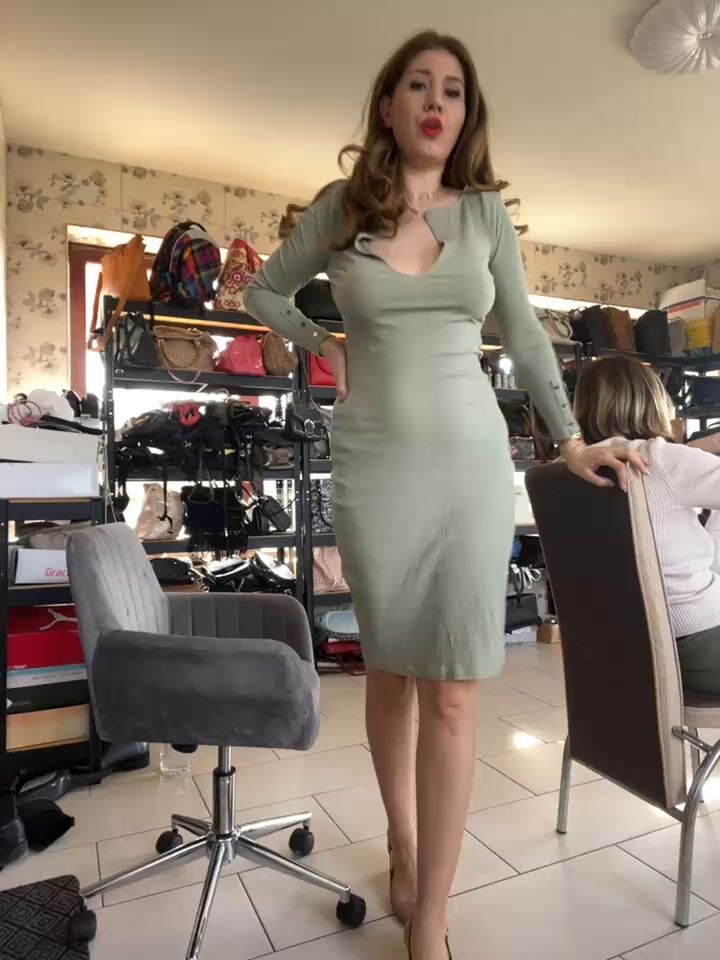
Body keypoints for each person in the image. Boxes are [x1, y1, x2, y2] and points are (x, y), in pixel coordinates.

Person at [245, 30, 643, 960]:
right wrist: (324, 343)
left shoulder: (488, 216)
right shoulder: (342, 209)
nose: (436, 102)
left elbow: (528, 336)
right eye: (418, 86)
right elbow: (264, 292)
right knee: (390, 671)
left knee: (455, 694)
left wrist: (570, 437)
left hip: (469, 468)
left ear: (467, 114)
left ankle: (431, 915)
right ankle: (403, 840)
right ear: (388, 107)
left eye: (453, 90)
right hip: (375, 467)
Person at [574, 354, 720, 696]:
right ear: (653, 401)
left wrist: (694, 450)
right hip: (695, 644)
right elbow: (665, 465)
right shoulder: (662, 460)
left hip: (615, 645)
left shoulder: (568, 470)